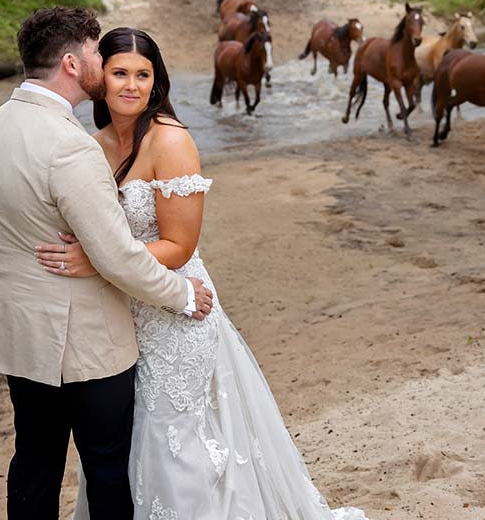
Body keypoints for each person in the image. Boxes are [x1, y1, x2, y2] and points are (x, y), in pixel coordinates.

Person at [35, 28, 367, 520]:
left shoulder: (171, 141)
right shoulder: (92, 144)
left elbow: (179, 244)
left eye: (143, 75)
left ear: (156, 81)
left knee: (174, 436)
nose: (131, 85)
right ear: (97, 76)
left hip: (177, 313)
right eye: (120, 72)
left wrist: (99, 262)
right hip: (120, 317)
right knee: (120, 442)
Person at [0, 8, 216, 520]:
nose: (102, 64)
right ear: (71, 62)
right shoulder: (71, 146)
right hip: (84, 341)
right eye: (96, 54)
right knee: (105, 466)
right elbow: (116, 256)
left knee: (34, 462)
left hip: (20, 331)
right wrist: (184, 294)